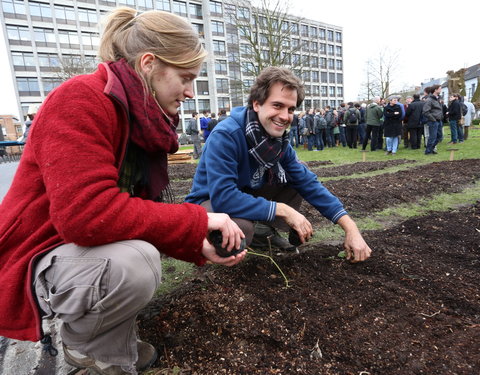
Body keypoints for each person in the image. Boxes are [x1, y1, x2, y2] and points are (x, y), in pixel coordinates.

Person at [0, 7, 246, 375]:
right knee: (135, 262)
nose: (191, 93)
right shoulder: (79, 100)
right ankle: (87, 347)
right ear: (149, 63)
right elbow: (86, 216)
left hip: (70, 247)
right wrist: (197, 220)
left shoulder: (137, 117)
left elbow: (133, 215)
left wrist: (194, 242)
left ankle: (111, 342)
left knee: (137, 251)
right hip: (34, 251)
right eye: (186, 77)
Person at [185, 66, 372, 261]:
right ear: (257, 104)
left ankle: (264, 231)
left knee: (299, 174)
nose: (285, 116)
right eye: (277, 105)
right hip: (210, 203)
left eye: (291, 109)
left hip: (245, 192)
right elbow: (224, 197)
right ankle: (235, 234)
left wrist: (350, 227)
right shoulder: (227, 135)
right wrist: (284, 210)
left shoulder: (278, 143)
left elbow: (309, 183)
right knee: (239, 231)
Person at [423, 85, 444, 155]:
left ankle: (431, 149)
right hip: (433, 121)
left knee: (439, 137)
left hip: (439, 120)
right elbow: (425, 111)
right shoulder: (429, 100)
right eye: (440, 89)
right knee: (432, 137)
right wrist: (433, 119)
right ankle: (428, 151)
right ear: (435, 90)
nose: (441, 90)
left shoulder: (438, 99)